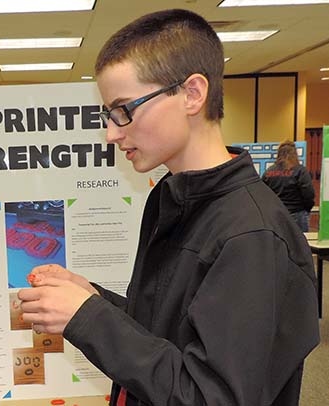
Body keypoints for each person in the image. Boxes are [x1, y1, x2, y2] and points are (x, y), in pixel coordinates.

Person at [18, 9, 319, 406]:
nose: (111, 133)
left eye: (124, 109)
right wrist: (93, 299)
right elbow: (167, 332)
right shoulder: (171, 197)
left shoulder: (252, 235)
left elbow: (210, 396)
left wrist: (88, 318)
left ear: (192, 94)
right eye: (108, 115)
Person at [262, 140, 315, 232]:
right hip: (297, 214)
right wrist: (307, 208)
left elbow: (262, 193)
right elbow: (309, 193)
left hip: (276, 214)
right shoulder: (300, 171)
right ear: (295, 154)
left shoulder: (269, 172)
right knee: (299, 244)